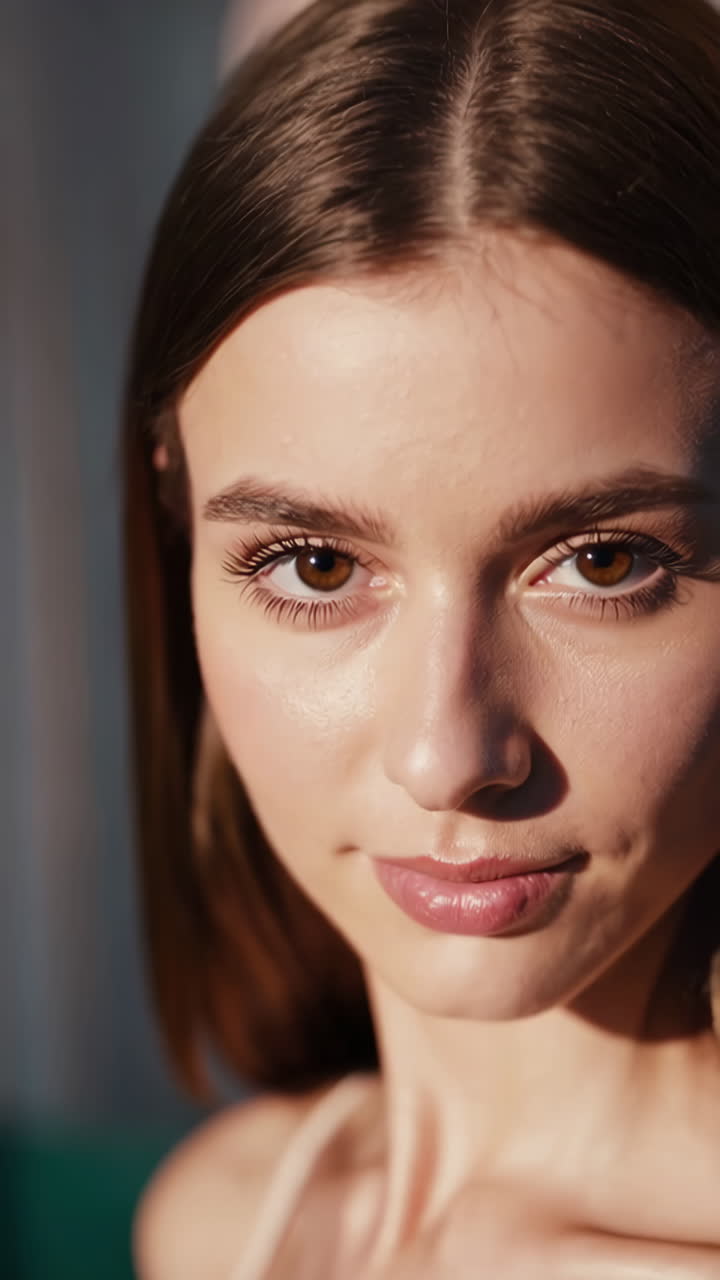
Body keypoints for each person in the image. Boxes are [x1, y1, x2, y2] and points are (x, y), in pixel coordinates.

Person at [124, 0, 720, 1274]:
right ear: (174, 518)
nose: (450, 755)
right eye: (316, 564)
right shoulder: (221, 1215)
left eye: (604, 563)